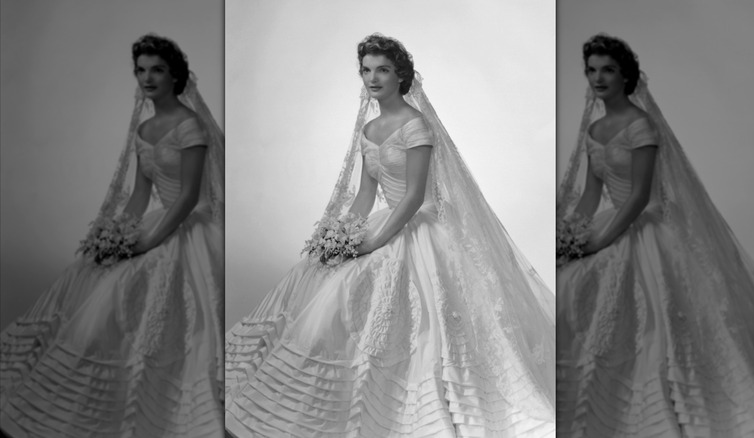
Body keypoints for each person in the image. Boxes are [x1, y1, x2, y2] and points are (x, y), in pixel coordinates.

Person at [225, 34, 555, 437]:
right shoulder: (370, 127)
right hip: (384, 218)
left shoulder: (416, 125)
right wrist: (342, 234)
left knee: (403, 304)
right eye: (366, 70)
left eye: (382, 69)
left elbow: (415, 197)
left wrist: (374, 243)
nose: (372, 78)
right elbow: (365, 193)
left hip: (420, 224)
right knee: (325, 282)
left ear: (401, 76)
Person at [0, 34, 225, 437]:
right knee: (97, 279)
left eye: (157, 69)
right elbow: (140, 194)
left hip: (189, 224)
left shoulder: (190, 125)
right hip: (157, 218)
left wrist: (148, 242)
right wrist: (117, 234)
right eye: (141, 70)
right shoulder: (145, 127)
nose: (147, 78)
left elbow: (189, 197)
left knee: (150, 289)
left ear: (176, 76)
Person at [556, 34, 754, 437]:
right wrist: (570, 235)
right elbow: (590, 195)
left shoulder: (641, 124)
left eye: (608, 69)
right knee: (570, 289)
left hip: (645, 225)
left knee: (652, 315)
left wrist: (601, 242)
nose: (598, 78)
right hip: (608, 221)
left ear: (626, 75)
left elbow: (640, 196)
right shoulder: (595, 128)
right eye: (591, 70)